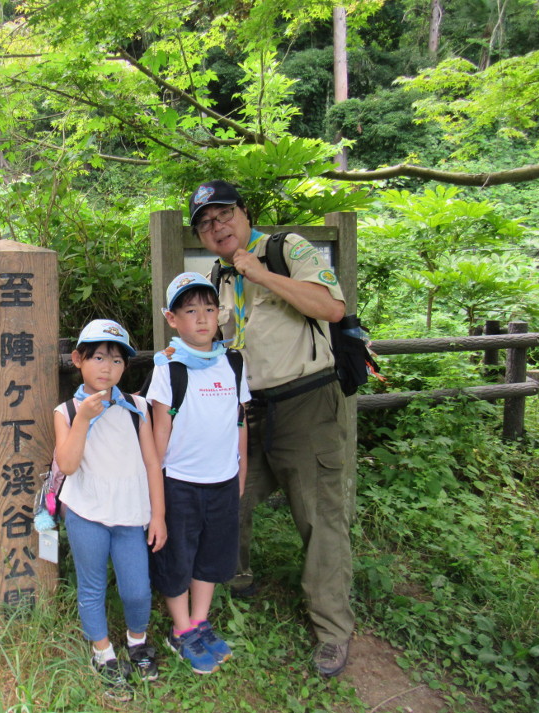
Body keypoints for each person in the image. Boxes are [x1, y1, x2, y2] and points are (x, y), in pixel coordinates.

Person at [187, 179, 354, 677]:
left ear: (244, 213)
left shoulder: (287, 250)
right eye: (205, 223)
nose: (217, 227)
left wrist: (260, 274)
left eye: (223, 214)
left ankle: (332, 628)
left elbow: (332, 307)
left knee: (319, 516)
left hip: (306, 401)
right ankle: (236, 579)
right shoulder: (217, 275)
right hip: (248, 408)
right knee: (230, 497)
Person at [53, 319, 167, 702]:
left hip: (131, 515)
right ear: (78, 359)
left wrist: (158, 515)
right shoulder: (67, 411)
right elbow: (68, 465)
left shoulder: (136, 407)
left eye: (117, 360)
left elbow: (152, 462)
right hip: (86, 513)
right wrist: (84, 418)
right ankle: (102, 652)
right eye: (99, 357)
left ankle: (137, 641)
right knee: (92, 586)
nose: (108, 367)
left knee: (137, 589)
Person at [148, 273, 249, 675]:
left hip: (223, 480)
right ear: (172, 319)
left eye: (209, 308)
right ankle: (180, 629)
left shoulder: (233, 362)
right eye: (191, 310)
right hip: (180, 483)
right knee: (177, 557)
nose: (203, 318)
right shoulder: (169, 368)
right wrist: (155, 493)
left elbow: (240, 421)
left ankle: (200, 621)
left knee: (211, 555)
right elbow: (159, 432)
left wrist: (241, 472)